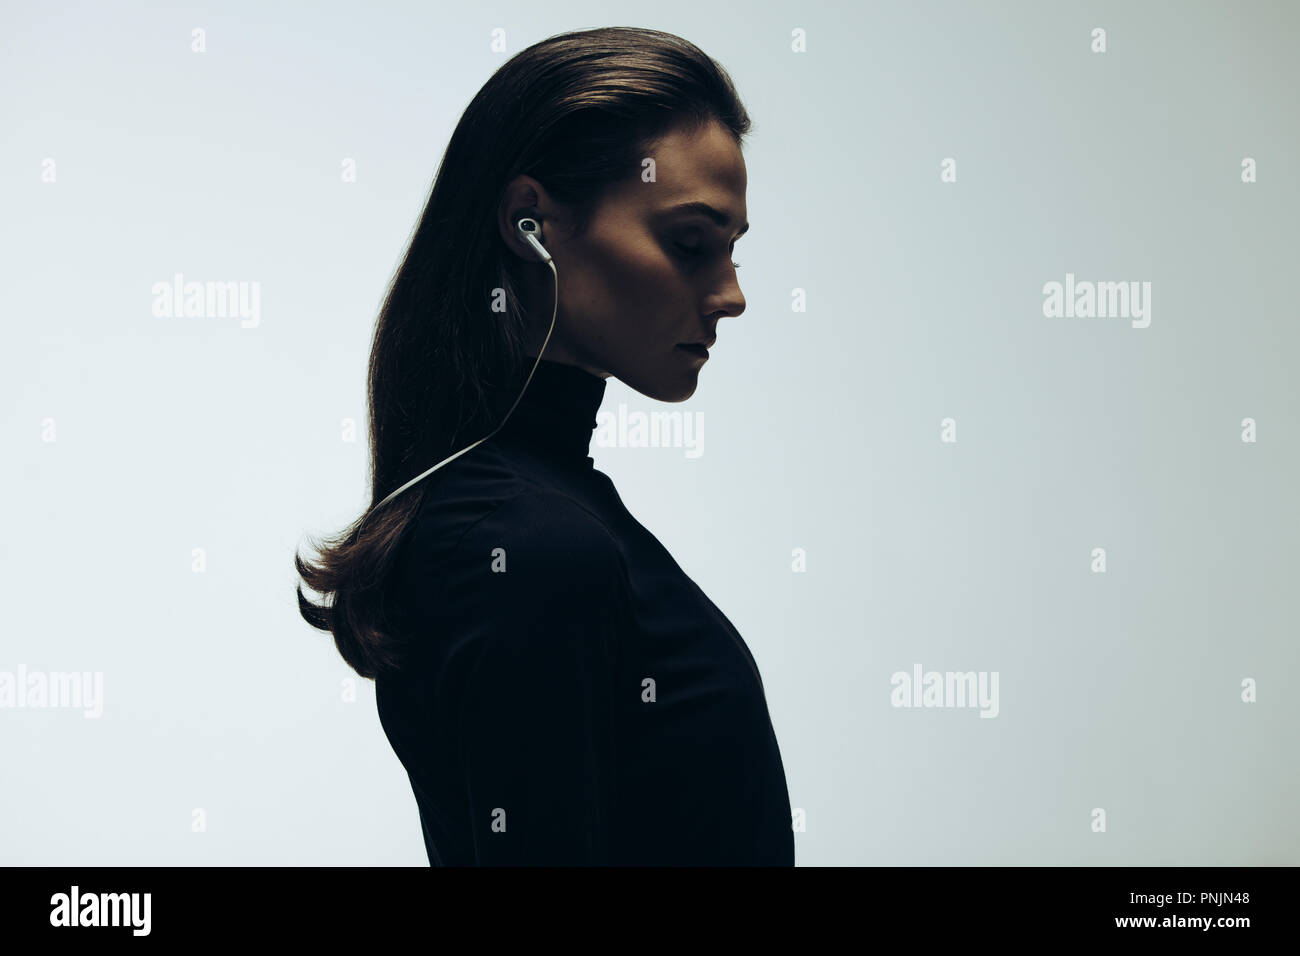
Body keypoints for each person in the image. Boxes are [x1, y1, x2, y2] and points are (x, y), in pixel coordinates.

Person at [295, 26, 794, 866]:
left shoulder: (528, 517)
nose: (733, 295)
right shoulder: (525, 543)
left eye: (733, 250)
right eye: (690, 243)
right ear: (531, 224)